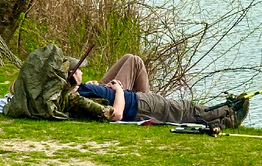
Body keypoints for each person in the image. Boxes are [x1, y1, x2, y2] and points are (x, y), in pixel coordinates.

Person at [66, 53, 247, 128]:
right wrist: (119, 90)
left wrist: (92, 87)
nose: (81, 70)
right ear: (74, 76)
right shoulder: (77, 97)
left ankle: (224, 114)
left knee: (178, 109)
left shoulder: (76, 92)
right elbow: (116, 115)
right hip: (138, 105)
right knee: (184, 110)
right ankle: (228, 113)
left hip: (138, 101)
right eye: (78, 69)